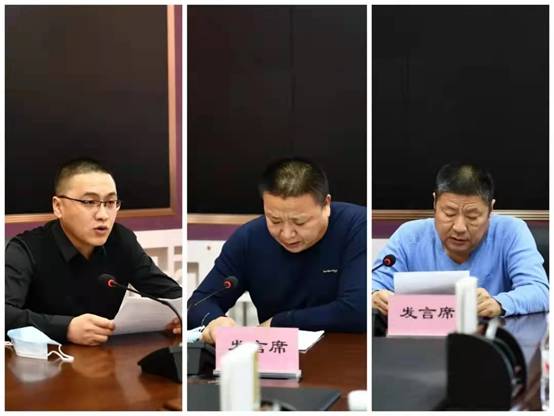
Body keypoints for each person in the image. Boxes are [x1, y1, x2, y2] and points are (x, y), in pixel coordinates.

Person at [188, 157, 366, 344]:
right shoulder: (248, 239)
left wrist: (279, 322)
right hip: (278, 355)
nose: (287, 234)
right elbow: (199, 303)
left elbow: (357, 310)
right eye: (275, 220)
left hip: (348, 353)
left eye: (300, 222)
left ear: (326, 205)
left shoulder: (356, 226)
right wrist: (215, 322)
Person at [5, 158, 182, 346]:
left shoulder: (121, 241)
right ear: (58, 206)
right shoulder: (25, 249)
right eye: (89, 202)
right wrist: (65, 328)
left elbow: (172, 296)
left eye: (111, 202)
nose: (103, 215)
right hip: (42, 360)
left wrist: (179, 316)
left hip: (106, 358)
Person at [372, 162, 549, 318]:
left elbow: (540, 291)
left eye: (472, 216)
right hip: (417, 340)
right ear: (435, 203)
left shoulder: (511, 232)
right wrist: (375, 296)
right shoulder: (409, 236)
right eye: (449, 213)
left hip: (489, 340)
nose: (459, 227)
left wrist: (499, 303)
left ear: (490, 210)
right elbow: (373, 284)